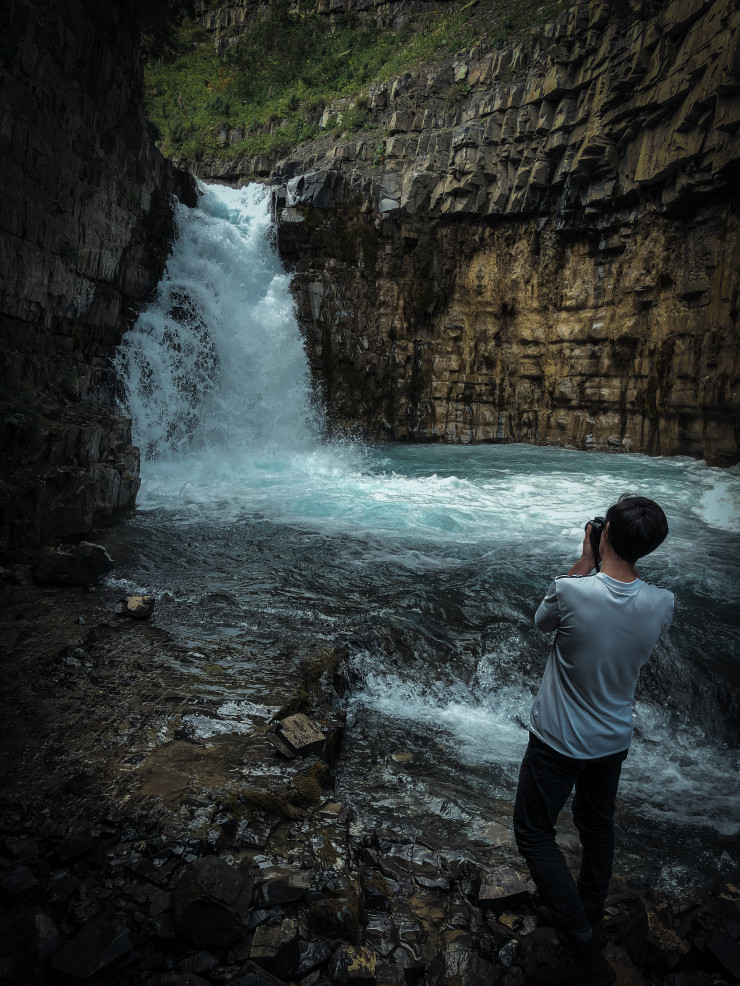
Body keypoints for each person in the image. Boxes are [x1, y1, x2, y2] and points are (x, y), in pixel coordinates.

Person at [513, 493, 674, 986]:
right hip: (612, 741)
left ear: (604, 534)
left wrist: (584, 561)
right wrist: (600, 557)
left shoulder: (571, 590)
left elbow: (542, 624)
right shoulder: (662, 603)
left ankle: (582, 942)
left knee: (533, 832)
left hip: (558, 740)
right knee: (596, 827)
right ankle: (588, 912)